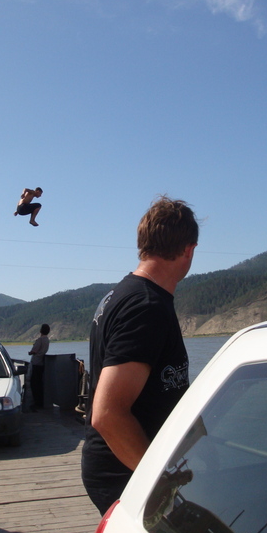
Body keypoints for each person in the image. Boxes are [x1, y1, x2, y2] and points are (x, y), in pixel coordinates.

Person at [81, 195, 199, 515]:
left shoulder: (123, 294)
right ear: (189, 250)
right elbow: (107, 413)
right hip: (124, 473)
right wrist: (156, 480)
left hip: (120, 466)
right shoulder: (145, 307)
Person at [28, 324, 50, 411]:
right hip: (42, 363)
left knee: (34, 384)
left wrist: (30, 352)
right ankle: (40, 402)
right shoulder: (47, 340)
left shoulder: (40, 340)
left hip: (36, 363)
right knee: (40, 383)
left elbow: (34, 350)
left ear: (41, 330)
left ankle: (37, 403)